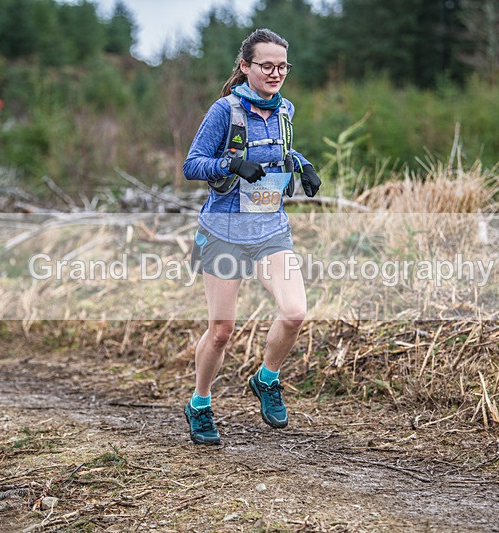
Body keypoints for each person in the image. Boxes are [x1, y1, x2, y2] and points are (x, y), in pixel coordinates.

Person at [182, 28, 322, 445]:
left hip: (270, 230)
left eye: (282, 66)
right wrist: (231, 165)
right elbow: (193, 165)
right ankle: (200, 404)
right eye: (267, 65)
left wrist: (302, 164)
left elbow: (277, 150)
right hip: (223, 232)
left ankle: (266, 378)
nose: (276, 73)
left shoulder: (285, 111)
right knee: (222, 329)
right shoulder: (224, 111)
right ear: (245, 67)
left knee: (295, 312)